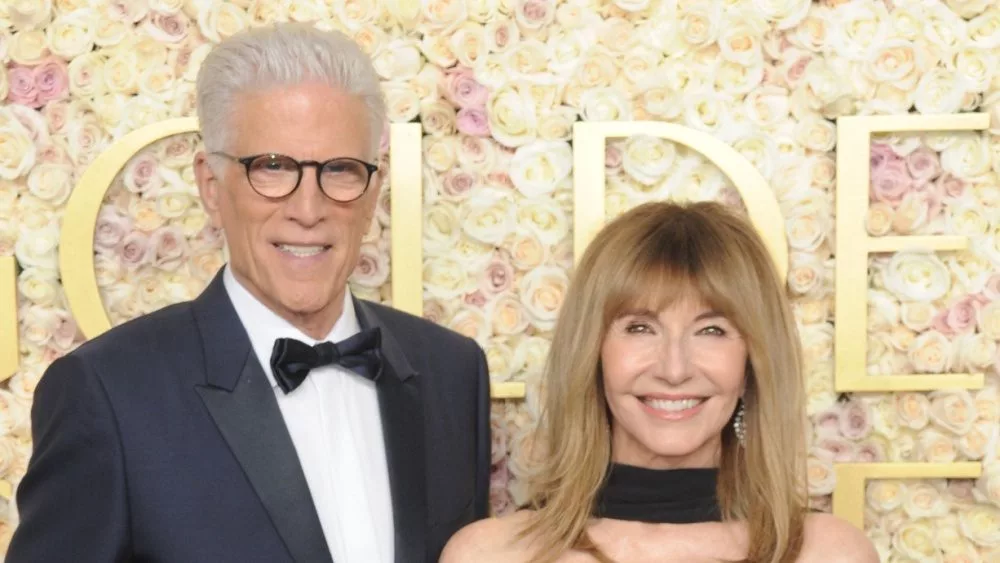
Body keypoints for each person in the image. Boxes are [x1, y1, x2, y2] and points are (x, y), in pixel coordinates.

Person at [9, 23, 491, 563]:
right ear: (211, 187)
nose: (308, 210)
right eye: (273, 168)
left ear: (373, 190)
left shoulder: (452, 373)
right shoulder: (107, 394)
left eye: (340, 170)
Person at [441, 201, 877, 563]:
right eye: (639, 328)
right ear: (593, 353)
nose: (674, 369)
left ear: (751, 364)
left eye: (712, 330)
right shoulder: (491, 555)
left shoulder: (829, 554)